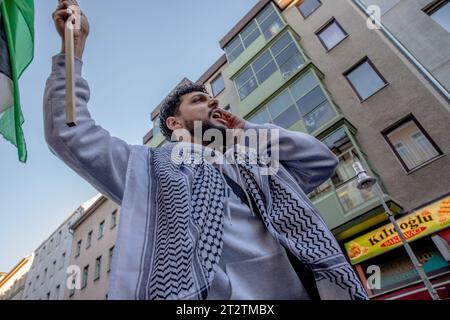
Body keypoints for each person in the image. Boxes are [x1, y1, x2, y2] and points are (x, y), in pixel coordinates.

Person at [46, 0, 368, 300]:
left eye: (211, 97)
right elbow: (70, 134)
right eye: (198, 100)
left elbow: (320, 160)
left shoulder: (253, 161)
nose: (213, 101)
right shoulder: (149, 169)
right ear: (174, 123)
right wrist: (73, 50)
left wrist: (247, 132)